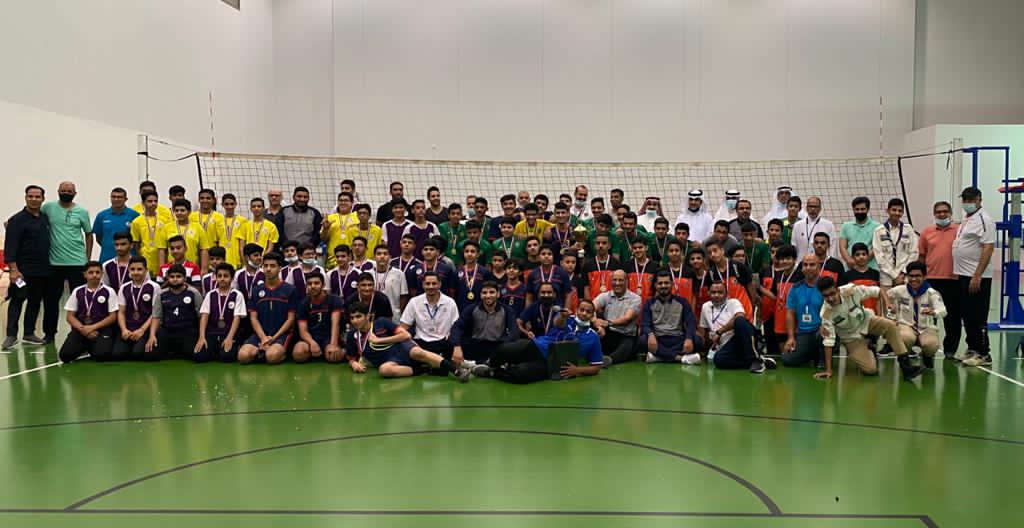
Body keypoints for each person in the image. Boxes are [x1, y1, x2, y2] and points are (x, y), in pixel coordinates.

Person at [816, 277, 925, 380]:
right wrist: (828, 370)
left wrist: (888, 304)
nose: (830, 298)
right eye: (826, 296)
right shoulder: (826, 314)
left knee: (890, 325)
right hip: (851, 337)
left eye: (832, 293)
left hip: (866, 321)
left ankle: (906, 367)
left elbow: (878, 290)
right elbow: (828, 342)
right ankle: (869, 347)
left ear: (838, 290)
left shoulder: (851, 291)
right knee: (870, 370)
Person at [472, 300, 604, 383]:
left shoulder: (593, 337)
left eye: (588, 312)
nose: (584, 313)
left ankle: (492, 373)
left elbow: (596, 367)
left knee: (519, 375)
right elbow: (557, 323)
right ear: (577, 310)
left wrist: (577, 370)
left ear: (592, 315)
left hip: (551, 364)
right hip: (537, 346)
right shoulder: (567, 318)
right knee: (504, 349)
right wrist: (563, 317)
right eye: (582, 310)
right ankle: (487, 364)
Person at [344, 302, 470, 381]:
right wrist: (353, 364)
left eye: (358, 316)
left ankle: (456, 370)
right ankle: (426, 370)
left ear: (367, 316)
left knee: (417, 352)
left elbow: (406, 335)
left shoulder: (381, 322)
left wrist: (379, 340)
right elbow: (351, 357)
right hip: (389, 361)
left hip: (402, 348)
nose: (355, 321)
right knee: (384, 371)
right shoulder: (352, 336)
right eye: (352, 318)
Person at [42, 181, 93, 344]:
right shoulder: (48, 208)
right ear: (58, 191)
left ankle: (78, 331)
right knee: (51, 300)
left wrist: (87, 258)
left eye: (69, 191)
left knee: (79, 301)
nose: (66, 193)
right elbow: (32, 214)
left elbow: (89, 234)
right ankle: (49, 333)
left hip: (77, 262)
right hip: (54, 263)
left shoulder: (82, 212)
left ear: (75, 193)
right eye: (63, 190)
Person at [3, 185, 52, 349]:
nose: (34, 199)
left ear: (43, 199)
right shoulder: (17, 220)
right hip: (21, 272)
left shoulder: (45, 218)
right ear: (25, 198)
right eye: (30, 196)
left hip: (41, 270)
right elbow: (10, 246)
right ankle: (11, 335)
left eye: (37, 197)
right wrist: (14, 270)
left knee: (35, 301)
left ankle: (29, 333)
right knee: (17, 299)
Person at [954, 187, 996, 366]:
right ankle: (972, 348)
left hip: (977, 277)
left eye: (971, 199)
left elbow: (988, 247)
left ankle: (984, 353)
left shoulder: (984, 219)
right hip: (963, 275)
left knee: (978, 315)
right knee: (967, 314)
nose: (968, 202)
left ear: (979, 199)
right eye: (965, 199)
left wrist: (977, 275)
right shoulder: (967, 218)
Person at [700, 281, 773, 372]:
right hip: (726, 346)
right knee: (718, 360)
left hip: (742, 339)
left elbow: (739, 316)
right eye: (713, 292)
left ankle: (755, 359)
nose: (716, 295)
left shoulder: (734, 302)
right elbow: (705, 330)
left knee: (739, 321)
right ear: (708, 293)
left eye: (720, 292)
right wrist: (705, 351)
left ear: (726, 294)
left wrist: (719, 332)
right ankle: (758, 361)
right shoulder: (705, 307)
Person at [238, 252, 298, 365]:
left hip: (281, 335)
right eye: (265, 266)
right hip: (260, 335)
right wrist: (263, 338)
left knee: (272, 356)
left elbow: (290, 319)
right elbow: (253, 318)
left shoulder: (290, 290)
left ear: (280, 268)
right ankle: (262, 350)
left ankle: (272, 352)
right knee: (243, 356)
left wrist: (273, 338)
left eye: (272, 266)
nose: (268, 269)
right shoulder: (256, 290)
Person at [918, 201, 959, 358]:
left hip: (953, 280)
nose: (942, 214)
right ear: (934, 214)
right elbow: (922, 257)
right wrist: (920, 278)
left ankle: (950, 350)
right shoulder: (926, 232)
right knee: (929, 318)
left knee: (952, 317)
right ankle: (928, 348)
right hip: (931, 280)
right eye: (939, 212)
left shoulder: (959, 231)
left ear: (950, 213)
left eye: (945, 211)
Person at [889, 262, 947, 370]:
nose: (914, 279)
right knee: (904, 338)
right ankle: (905, 359)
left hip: (926, 328)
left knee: (931, 344)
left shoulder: (932, 293)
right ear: (907, 276)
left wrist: (934, 312)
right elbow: (883, 295)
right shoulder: (900, 290)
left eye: (918, 276)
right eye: (911, 276)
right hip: (906, 326)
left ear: (924, 277)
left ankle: (927, 357)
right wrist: (891, 309)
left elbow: (943, 311)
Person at [58, 261, 118, 362]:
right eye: (91, 272)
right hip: (81, 329)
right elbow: (70, 316)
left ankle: (92, 346)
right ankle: (85, 346)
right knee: (65, 356)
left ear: (102, 274)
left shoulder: (109, 291)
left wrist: (92, 327)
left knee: (101, 356)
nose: (94, 275)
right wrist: (83, 329)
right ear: (85, 275)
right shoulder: (77, 291)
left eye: (97, 272)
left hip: (101, 330)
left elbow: (112, 317)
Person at [451, 281, 519, 364]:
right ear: (480, 295)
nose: (488, 296)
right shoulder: (471, 308)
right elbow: (457, 327)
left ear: (498, 294)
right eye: (484, 293)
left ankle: (482, 364)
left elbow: (514, 332)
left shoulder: (507, 310)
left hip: (497, 348)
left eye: (492, 292)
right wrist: (457, 346)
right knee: (448, 345)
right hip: (475, 346)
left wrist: (504, 346)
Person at [641, 270, 701, 364]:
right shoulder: (649, 303)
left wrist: (688, 338)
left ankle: (659, 356)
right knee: (642, 340)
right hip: (658, 338)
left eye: (666, 283)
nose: (663, 285)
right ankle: (680, 358)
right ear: (655, 285)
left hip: (677, 338)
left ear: (672, 284)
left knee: (697, 341)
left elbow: (691, 322)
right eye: (660, 283)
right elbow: (645, 324)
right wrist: (650, 335)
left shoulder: (682, 302)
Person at [399, 271, 460, 363]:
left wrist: (455, 345)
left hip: (443, 342)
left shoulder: (450, 302)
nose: (431, 287)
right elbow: (403, 326)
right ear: (423, 285)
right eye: (427, 283)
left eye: (434, 283)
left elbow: (456, 327)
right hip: (420, 342)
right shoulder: (414, 302)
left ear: (439, 284)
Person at [146, 264, 203, 361]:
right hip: (168, 331)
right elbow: (156, 317)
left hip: (188, 331)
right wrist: (152, 335)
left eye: (178, 276)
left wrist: (201, 336)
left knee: (197, 356)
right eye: (172, 277)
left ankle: (177, 350)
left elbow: (201, 317)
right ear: (168, 278)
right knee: (150, 355)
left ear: (185, 278)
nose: (175, 279)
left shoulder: (194, 293)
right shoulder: (161, 294)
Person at [195, 263, 247, 362]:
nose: (222, 279)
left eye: (226, 276)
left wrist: (229, 338)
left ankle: (231, 347)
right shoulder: (210, 295)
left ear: (232, 278)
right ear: (215, 277)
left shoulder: (237, 295)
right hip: (212, 333)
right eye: (219, 276)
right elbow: (204, 316)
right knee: (199, 356)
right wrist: (201, 337)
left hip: (228, 333)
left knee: (226, 357)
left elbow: (237, 318)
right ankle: (215, 350)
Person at [292, 271, 345, 363]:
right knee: (298, 354)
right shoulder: (303, 304)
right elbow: (303, 331)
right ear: (306, 286)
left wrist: (333, 344)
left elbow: (335, 324)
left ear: (323, 285)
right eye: (309, 284)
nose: (313, 286)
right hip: (310, 338)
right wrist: (312, 343)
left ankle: (343, 351)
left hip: (328, 338)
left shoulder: (334, 300)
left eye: (316, 283)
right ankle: (317, 352)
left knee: (333, 356)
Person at [113, 256, 159, 359]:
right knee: (117, 354)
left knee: (137, 354)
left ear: (146, 270)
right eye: (132, 269)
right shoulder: (124, 287)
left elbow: (155, 313)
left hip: (145, 328)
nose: (136, 272)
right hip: (128, 328)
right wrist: (124, 329)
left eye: (139, 269)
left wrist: (142, 330)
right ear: (129, 270)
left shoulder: (154, 287)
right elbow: (121, 312)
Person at [783, 255, 824, 368]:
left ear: (819, 267)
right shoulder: (795, 288)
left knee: (821, 336)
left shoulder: (825, 285)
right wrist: (791, 338)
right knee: (787, 359)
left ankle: (821, 357)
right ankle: (812, 353)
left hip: (821, 331)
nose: (808, 267)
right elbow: (790, 313)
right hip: (803, 332)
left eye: (812, 265)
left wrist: (825, 325)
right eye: (805, 265)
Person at [759, 244, 801, 355]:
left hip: (795, 321)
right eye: (782, 259)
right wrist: (760, 288)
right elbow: (775, 296)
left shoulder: (800, 275)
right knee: (783, 355)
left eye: (788, 258)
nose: (784, 261)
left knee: (794, 355)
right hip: (779, 320)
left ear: (794, 259)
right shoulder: (778, 275)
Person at [593, 269, 641, 364]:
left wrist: (608, 323)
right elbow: (589, 308)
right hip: (608, 333)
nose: (617, 283)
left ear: (626, 281)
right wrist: (597, 324)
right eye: (614, 280)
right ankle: (595, 355)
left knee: (628, 344)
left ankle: (609, 360)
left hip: (626, 335)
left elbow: (627, 319)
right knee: (591, 328)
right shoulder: (605, 296)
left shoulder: (636, 298)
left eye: (620, 280)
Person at [872, 198, 919, 290]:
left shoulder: (908, 229)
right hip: (886, 276)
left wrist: (903, 272)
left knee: (904, 299)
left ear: (903, 213)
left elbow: (914, 253)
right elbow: (878, 255)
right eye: (894, 210)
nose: (897, 213)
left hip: (904, 276)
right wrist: (894, 275)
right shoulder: (879, 231)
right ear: (888, 211)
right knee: (887, 299)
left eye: (900, 211)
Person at [158, 199, 210, 271]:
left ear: (189, 212)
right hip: (172, 269)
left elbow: (203, 249)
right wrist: (162, 268)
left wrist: (204, 268)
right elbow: (162, 249)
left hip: (192, 268)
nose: (179, 213)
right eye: (177, 211)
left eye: (182, 210)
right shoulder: (166, 227)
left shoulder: (198, 227)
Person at [92, 187, 139, 263]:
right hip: (107, 257)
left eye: (119, 197)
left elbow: (138, 239)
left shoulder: (134, 215)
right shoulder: (102, 216)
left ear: (125, 199)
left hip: (130, 260)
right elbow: (99, 238)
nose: (116, 199)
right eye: (113, 197)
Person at [131, 190, 169, 278]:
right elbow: (136, 243)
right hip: (145, 258)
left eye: (155, 201)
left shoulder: (165, 220)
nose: (153, 203)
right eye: (150, 201)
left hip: (161, 258)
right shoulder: (136, 222)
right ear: (143, 203)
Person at [839, 196, 879, 270]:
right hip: (850, 268)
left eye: (862, 209)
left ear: (868, 209)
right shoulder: (845, 226)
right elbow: (842, 247)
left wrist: (862, 262)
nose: (860, 212)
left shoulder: (877, 227)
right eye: (857, 209)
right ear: (853, 210)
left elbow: (876, 247)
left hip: (871, 268)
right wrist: (850, 261)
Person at [369, 245, 408, 321]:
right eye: (379, 254)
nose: (382, 256)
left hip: (393, 316)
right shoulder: (368, 274)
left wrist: (397, 310)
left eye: (385, 254)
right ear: (374, 257)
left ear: (390, 257)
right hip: (372, 315)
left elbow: (403, 296)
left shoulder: (399, 274)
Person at [790, 196, 836, 260]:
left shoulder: (829, 225)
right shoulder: (798, 225)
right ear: (806, 208)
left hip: (822, 263)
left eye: (816, 207)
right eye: (810, 206)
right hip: (801, 262)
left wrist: (830, 262)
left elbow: (832, 247)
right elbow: (794, 246)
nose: (813, 209)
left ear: (820, 208)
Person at [320, 191, 358, 269]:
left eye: (346, 200)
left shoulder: (357, 217)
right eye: (341, 200)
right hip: (333, 259)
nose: (343, 203)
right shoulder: (330, 218)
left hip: (353, 259)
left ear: (352, 203)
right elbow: (323, 239)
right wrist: (325, 229)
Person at [453, 241, 493, 310]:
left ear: (478, 254)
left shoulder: (485, 272)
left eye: (472, 251)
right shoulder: (457, 272)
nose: (469, 254)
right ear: (463, 253)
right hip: (461, 309)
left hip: (480, 310)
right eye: (467, 251)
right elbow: (454, 293)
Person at [219, 193, 248, 270]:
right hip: (222, 260)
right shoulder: (218, 220)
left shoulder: (243, 221)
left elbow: (243, 244)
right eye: (226, 204)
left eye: (232, 204)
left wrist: (244, 262)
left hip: (237, 261)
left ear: (236, 204)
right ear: (222, 205)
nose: (229, 207)